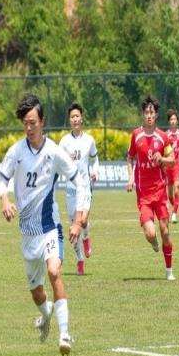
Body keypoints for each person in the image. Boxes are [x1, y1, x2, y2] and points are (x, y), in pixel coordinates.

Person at [0, 94, 87, 356]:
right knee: (37, 293)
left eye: (33, 122)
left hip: (50, 227)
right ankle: (46, 315)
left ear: (42, 122)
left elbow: (80, 182)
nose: (29, 128)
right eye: (25, 123)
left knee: (54, 272)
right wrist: (5, 201)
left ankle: (65, 334)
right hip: (28, 234)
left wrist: (78, 221)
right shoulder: (16, 152)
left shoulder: (54, 152)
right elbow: (2, 179)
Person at [126, 95, 176, 281]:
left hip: (160, 192)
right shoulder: (136, 135)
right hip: (144, 194)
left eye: (152, 112)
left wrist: (162, 159)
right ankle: (153, 242)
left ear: (156, 115)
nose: (149, 115)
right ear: (143, 114)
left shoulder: (163, 137)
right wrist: (131, 177)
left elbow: (172, 160)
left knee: (165, 231)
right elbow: (130, 158)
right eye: (146, 112)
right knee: (150, 233)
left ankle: (169, 271)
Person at [59, 102, 99, 276]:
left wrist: (95, 171)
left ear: (81, 118)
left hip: (85, 188)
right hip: (70, 190)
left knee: (82, 222)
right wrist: (64, 158)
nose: (75, 119)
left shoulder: (89, 140)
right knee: (73, 228)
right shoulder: (64, 142)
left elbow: (95, 159)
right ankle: (80, 259)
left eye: (77, 116)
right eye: (72, 117)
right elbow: (57, 164)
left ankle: (87, 237)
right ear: (69, 120)